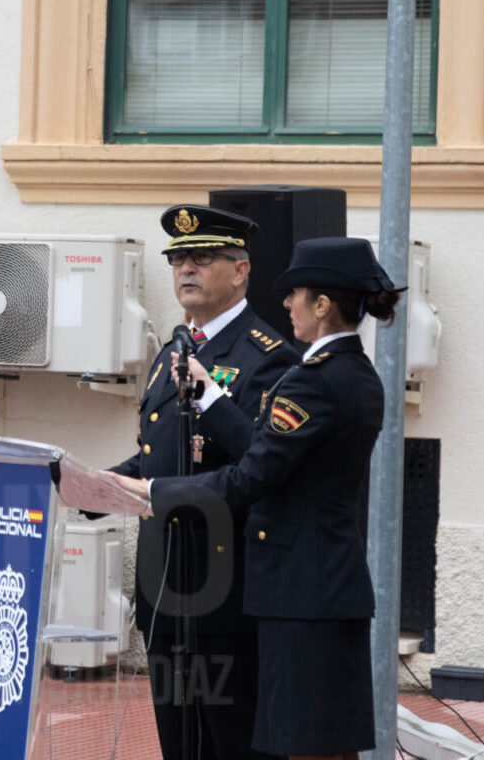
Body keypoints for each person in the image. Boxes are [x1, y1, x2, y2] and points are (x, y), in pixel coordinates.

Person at [108, 237, 405, 760]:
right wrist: (205, 398)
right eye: (177, 260)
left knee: (298, 742)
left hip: (294, 590)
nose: (286, 303)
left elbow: (250, 475)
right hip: (304, 588)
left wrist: (154, 493)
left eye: (295, 293)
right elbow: (243, 452)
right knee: (316, 741)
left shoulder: (309, 378)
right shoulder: (351, 373)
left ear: (322, 304)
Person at [106, 204, 297, 760]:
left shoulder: (267, 357)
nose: (186, 269)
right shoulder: (172, 350)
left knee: (229, 743)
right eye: (179, 260)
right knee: (180, 744)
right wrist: (92, 485)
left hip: (223, 593)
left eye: (203, 258)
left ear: (240, 271)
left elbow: (261, 462)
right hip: (165, 588)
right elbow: (157, 458)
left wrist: (211, 395)